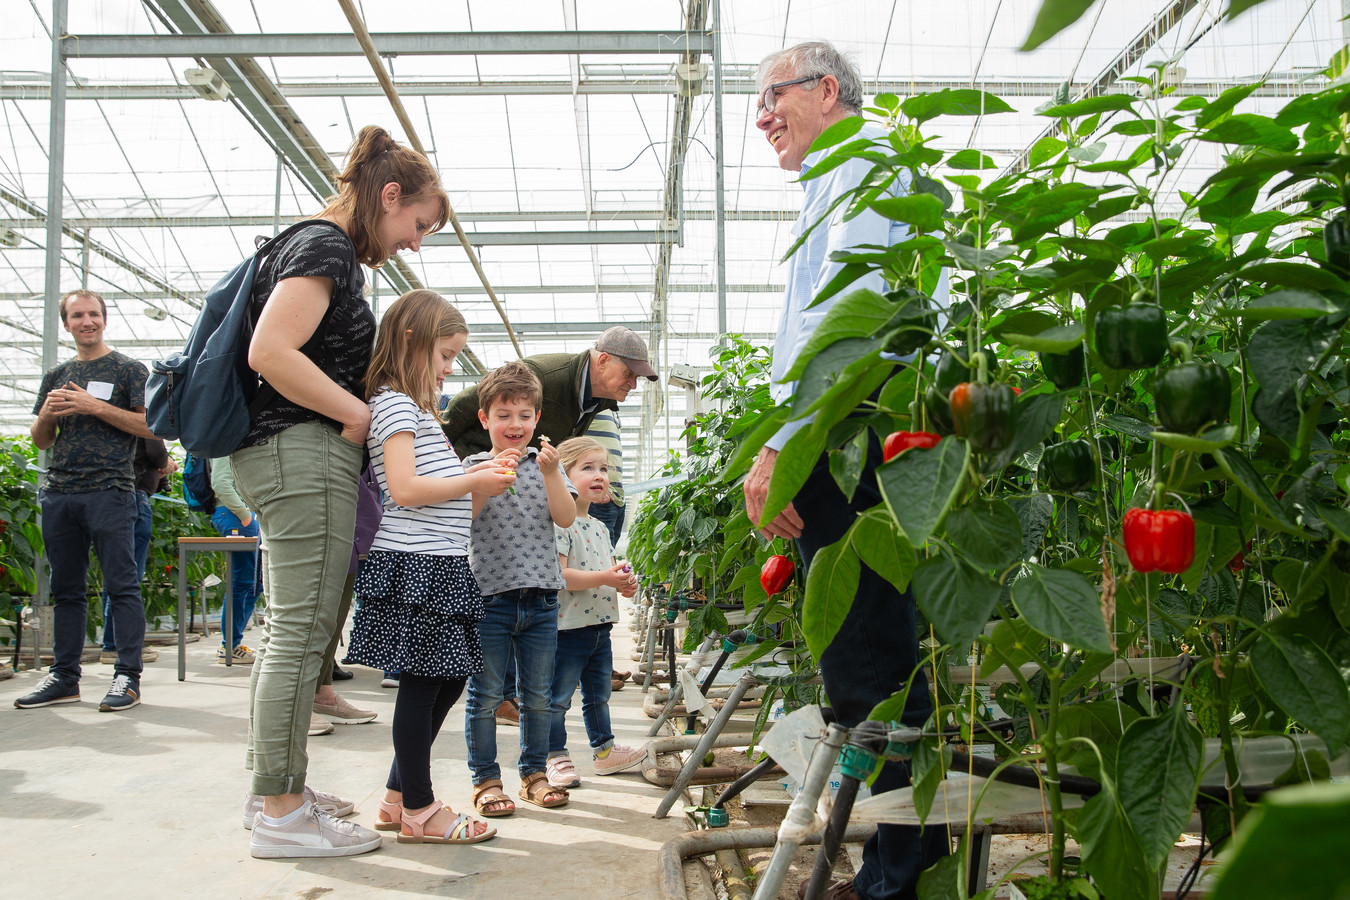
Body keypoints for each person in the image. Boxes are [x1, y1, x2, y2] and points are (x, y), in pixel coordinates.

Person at [741, 42, 950, 900]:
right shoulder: (843, 177)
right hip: (854, 433)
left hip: (855, 436)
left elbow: (842, 327)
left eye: (772, 98)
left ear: (827, 91)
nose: (762, 119)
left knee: (872, 669)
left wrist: (783, 446)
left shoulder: (863, 166)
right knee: (869, 659)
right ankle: (900, 860)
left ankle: (898, 877)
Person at [233, 124, 450, 860]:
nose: (415, 243)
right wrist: (358, 413)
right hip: (302, 454)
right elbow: (271, 351)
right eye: (416, 224)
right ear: (389, 196)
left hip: (287, 456)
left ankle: (277, 789)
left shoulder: (317, 248)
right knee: (300, 634)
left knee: (295, 633)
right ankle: (283, 812)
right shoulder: (326, 247)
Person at [346, 290, 509, 845]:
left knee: (447, 679)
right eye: (443, 355)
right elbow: (405, 489)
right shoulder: (393, 404)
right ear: (411, 341)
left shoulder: (421, 414)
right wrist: (473, 479)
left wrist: (484, 479)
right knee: (422, 685)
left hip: (440, 563)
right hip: (414, 564)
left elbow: (451, 502)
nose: (447, 369)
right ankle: (419, 808)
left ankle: (397, 796)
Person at [17, 289, 156, 713]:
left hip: (110, 490)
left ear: (104, 319)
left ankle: (127, 677)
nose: (87, 321)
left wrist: (94, 406)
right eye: (77, 315)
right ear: (67, 324)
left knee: (122, 584)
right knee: (66, 589)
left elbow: (151, 427)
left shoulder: (129, 370)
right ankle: (64, 676)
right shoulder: (56, 375)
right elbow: (42, 440)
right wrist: (46, 415)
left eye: (93, 314)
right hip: (60, 492)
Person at [461, 360, 577, 818]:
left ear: (537, 420)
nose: (515, 425)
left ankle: (533, 774)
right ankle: (486, 780)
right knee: (487, 694)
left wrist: (551, 473)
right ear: (484, 419)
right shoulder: (471, 467)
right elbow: (462, 518)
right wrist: (486, 478)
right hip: (489, 597)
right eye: (504, 415)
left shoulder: (548, 467)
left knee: (538, 695)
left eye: (525, 416)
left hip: (542, 597)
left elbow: (566, 518)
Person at [544, 437, 643, 791]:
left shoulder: (599, 527)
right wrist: (605, 578)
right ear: (563, 476)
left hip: (601, 626)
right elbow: (560, 576)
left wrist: (621, 583)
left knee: (598, 694)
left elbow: (602, 571)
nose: (599, 475)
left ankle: (605, 752)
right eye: (587, 468)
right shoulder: (561, 524)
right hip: (568, 629)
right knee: (557, 698)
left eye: (603, 468)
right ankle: (554, 756)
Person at [440, 325, 657, 461]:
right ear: (603, 361)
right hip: (476, 467)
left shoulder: (595, 399)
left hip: (512, 477)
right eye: (629, 373)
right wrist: (440, 458)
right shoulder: (543, 376)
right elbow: (465, 402)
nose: (633, 384)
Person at [311, 461, 380, 729]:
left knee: (336, 614)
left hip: (354, 507)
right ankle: (293, 707)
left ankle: (321, 692)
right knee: (308, 620)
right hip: (315, 505)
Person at [99, 437, 171, 665]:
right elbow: (157, 452)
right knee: (128, 575)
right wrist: (166, 463)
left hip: (107, 496)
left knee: (113, 574)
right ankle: (116, 645)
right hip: (133, 495)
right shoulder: (141, 410)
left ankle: (111, 642)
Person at [209, 455, 261, 665]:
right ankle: (229, 645)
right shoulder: (225, 440)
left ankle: (231, 643)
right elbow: (220, 482)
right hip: (233, 514)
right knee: (243, 583)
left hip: (238, 514)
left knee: (254, 583)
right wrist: (244, 513)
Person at [584, 409, 626, 547]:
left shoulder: (609, 407)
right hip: (599, 496)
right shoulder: (590, 401)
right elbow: (568, 447)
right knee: (600, 556)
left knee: (608, 553)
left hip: (616, 497)